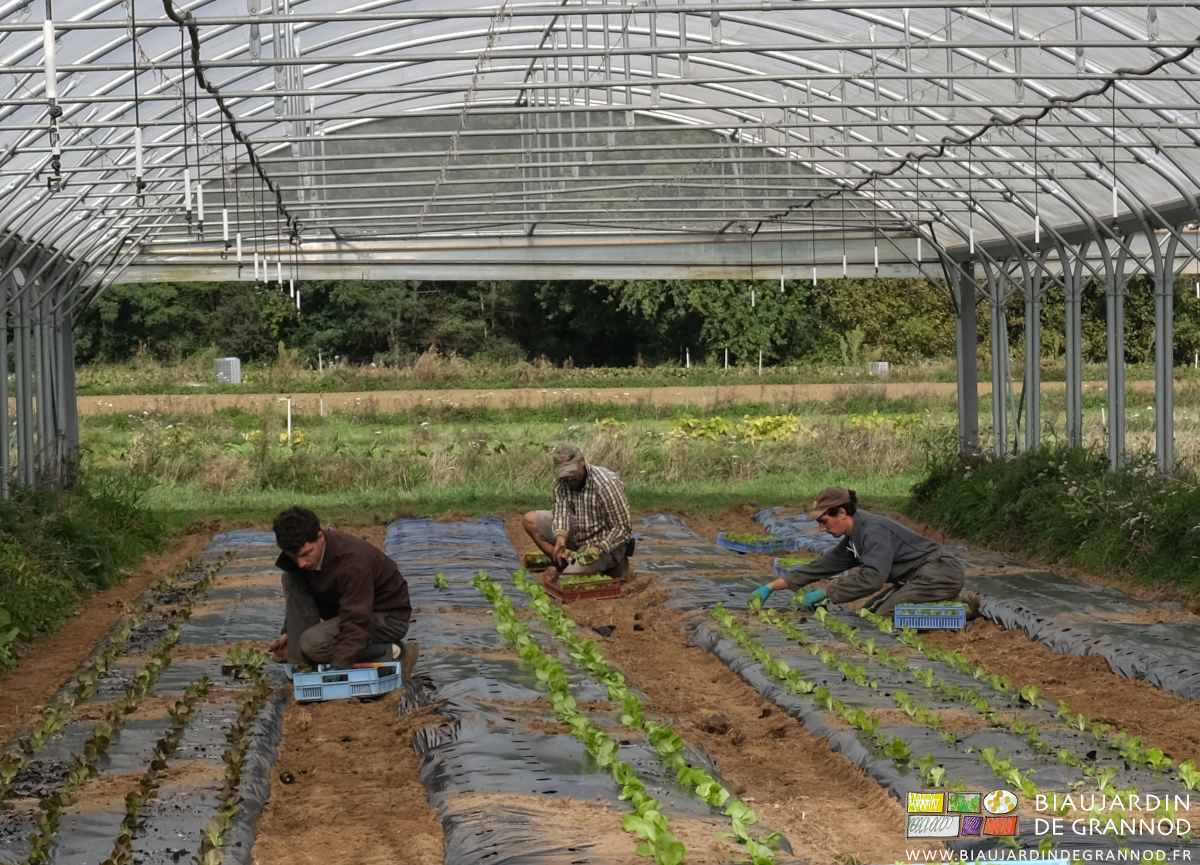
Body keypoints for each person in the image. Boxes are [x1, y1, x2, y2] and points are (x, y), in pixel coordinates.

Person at [749, 488, 978, 616]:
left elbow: (872, 579)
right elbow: (822, 566)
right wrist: (770, 588)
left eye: (824, 521)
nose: (821, 528)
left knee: (886, 616)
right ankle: (950, 602)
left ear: (841, 513)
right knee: (868, 613)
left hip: (939, 573)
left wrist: (826, 594)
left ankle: (962, 609)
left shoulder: (872, 532)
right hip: (917, 578)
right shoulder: (854, 537)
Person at [268, 506, 418, 678]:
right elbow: (301, 601)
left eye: (306, 554)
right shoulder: (303, 561)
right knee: (291, 577)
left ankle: (393, 652)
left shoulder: (352, 564)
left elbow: (356, 620)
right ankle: (302, 667)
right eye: (294, 557)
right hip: (347, 610)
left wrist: (339, 667)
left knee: (313, 644)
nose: (302, 563)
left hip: (386, 617)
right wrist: (291, 635)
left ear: (320, 537)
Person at [522, 443, 634, 579]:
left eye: (571, 472)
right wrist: (560, 536)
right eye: (563, 473)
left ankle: (612, 566)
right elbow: (560, 512)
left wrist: (599, 548)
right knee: (530, 520)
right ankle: (562, 562)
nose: (568, 478)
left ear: (582, 461)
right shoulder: (561, 482)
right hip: (581, 530)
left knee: (564, 583)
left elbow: (623, 528)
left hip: (607, 543)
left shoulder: (605, 484)